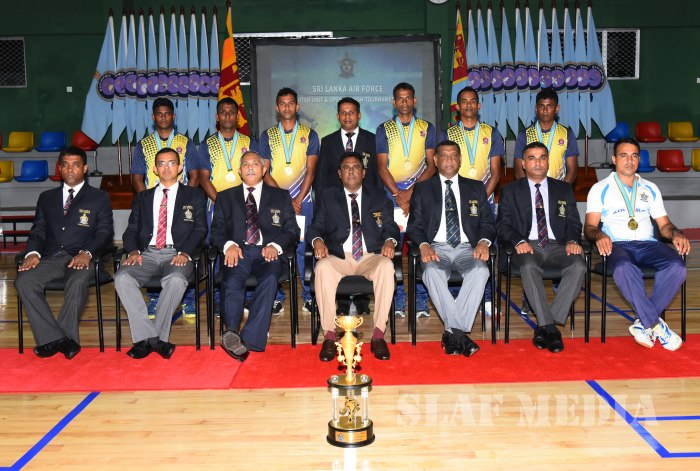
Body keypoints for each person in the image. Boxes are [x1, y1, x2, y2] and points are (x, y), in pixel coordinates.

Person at [584, 137, 690, 351]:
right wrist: (599, 235)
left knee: (677, 266)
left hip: (648, 244)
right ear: (614, 159)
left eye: (634, 156)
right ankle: (655, 324)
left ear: (639, 159)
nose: (629, 160)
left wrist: (676, 234)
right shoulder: (600, 188)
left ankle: (643, 323)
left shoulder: (650, 188)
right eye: (623, 155)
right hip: (617, 245)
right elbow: (589, 227)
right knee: (624, 268)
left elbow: (664, 225)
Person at [14, 147, 114, 359]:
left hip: (82, 258)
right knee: (24, 281)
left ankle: (59, 339)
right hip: (50, 257)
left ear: (85, 168)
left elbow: (105, 232)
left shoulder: (99, 197)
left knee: (76, 282)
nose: (70, 169)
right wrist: (32, 253)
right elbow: (38, 231)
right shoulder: (46, 197)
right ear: (59, 168)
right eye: (65, 165)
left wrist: (87, 252)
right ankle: (58, 339)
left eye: (76, 164)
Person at [115, 148, 208, 359]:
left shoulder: (194, 195)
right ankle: (155, 340)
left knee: (176, 280)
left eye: (171, 163)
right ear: (155, 169)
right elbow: (131, 230)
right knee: (122, 278)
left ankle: (146, 341)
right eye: (162, 164)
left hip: (177, 253)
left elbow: (201, 229)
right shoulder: (143, 197)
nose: (166, 167)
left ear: (180, 167)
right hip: (146, 254)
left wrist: (185, 252)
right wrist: (133, 251)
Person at [406, 140, 495, 357]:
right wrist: (424, 245)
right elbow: (414, 225)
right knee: (431, 271)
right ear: (435, 160)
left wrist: (483, 241)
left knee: (481, 270)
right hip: (436, 247)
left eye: (453, 155)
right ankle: (459, 334)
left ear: (460, 160)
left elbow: (488, 222)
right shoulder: (423, 188)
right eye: (444, 156)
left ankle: (453, 334)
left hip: (467, 247)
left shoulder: (475, 187)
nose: (449, 160)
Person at [308, 152, 400, 361]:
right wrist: (318, 241)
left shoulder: (378, 196)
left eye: (356, 167)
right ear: (339, 173)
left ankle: (378, 335)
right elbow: (316, 226)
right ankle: (329, 335)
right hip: (339, 256)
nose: (351, 172)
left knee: (387, 266)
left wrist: (390, 241)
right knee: (322, 267)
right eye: (346, 168)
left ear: (364, 172)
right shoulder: (328, 196)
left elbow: (391, 227)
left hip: (370, 255)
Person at [497, 142, 586, 353]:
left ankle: (546, 324)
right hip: (527, 244)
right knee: (529, 266)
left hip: (558, 245)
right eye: (532, 158)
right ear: (523, 164)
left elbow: (574, 223)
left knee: (579, 266)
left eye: (542, 158)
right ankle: (551, 328)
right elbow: (503, 225)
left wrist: (573, 240)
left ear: (548, 162)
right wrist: (518, 241)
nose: (537, 163)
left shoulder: (563, 189)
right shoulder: (510, 190)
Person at [211, 151, 300, 362]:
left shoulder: (280, 196)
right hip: (238, 252)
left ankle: (249, 338)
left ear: (264, 169)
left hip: (266, 252)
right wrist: (229, 245)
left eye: (255, 164)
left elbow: (292, 230)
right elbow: (216, 231)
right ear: (239, 171)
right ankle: (232, 330)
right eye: (246, 164)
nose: (250, 167)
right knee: (232, 278)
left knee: (269, 279)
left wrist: (275, 245)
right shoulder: (225, 197)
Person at [131, 97, 203, 317]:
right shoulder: (143, 144)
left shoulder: (186, 142)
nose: (163, 117)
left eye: (167, 113)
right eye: (159, 114)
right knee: (152, 250)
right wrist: (146, 203)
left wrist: (185, 200)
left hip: (181, 206)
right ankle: (155, 300)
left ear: (173, 116)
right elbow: (137, 177)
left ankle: (188, 300)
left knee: (183, 250)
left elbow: (194, 175)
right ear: (153, 117)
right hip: (154, 205)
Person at [376, 82, 437, 318]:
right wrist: (398, 195)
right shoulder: (384, 129)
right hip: (391, 197)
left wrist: (410, 193)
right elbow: (382, 167)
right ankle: (398, 298)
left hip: (419, 195)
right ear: (394, 102)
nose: (404, 102)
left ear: (414, 101)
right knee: (393, 248)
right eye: (400, 98)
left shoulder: (426, 128)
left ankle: (421, 299)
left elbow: (432, 165)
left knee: (422, 244)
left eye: (408, 98)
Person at [442, 86, 504, 317]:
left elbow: (495, 172)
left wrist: (479, 200)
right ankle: (458, 297)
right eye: (464, 102)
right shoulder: (448, 134)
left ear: (479, 105)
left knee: (484, 250)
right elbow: (445, 168)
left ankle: (487, 298)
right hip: (453, 202)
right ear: (457, 107)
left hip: (484, 200)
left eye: (472, 101)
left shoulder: (491, 132)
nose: (468, 105)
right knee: (456, 249)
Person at [316, 97, 382, 316]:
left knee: (363, 248)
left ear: (359, 115)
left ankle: (362, 300)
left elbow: (376, 175)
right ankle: (343, 302)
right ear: (337, 116)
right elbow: (321, 177)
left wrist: (376, 201)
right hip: (336, 207)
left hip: (365, 204)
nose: (347, 116)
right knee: (342, 250)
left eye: (351, 112)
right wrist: (321, 205)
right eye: (343, 113)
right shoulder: (327, 142)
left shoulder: (372, 140)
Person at [258, 87, 319, 316]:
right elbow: (264, 170)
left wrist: (298, 198)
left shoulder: (310, 134)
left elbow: (311, 171)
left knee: (304, 248)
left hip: (304, 201)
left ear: (297, 106)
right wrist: (285, 200)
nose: (286, 107)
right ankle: (276, 297)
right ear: (277, 108)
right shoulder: (266, 135)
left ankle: (309, 296)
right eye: (282, 103)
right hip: (275, 201)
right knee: (274, 245)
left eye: (290, 103)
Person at [513, 88, 579, 183]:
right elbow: (519, 172)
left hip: (558, 188)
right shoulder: (525, 135)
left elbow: (572, 171)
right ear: (536, 108)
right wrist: (531, 190)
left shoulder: (566, 134)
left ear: (557, 108)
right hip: (531, 190)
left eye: (549, 106)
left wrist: (561, 190)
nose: (545, 110)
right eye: (541, 106)